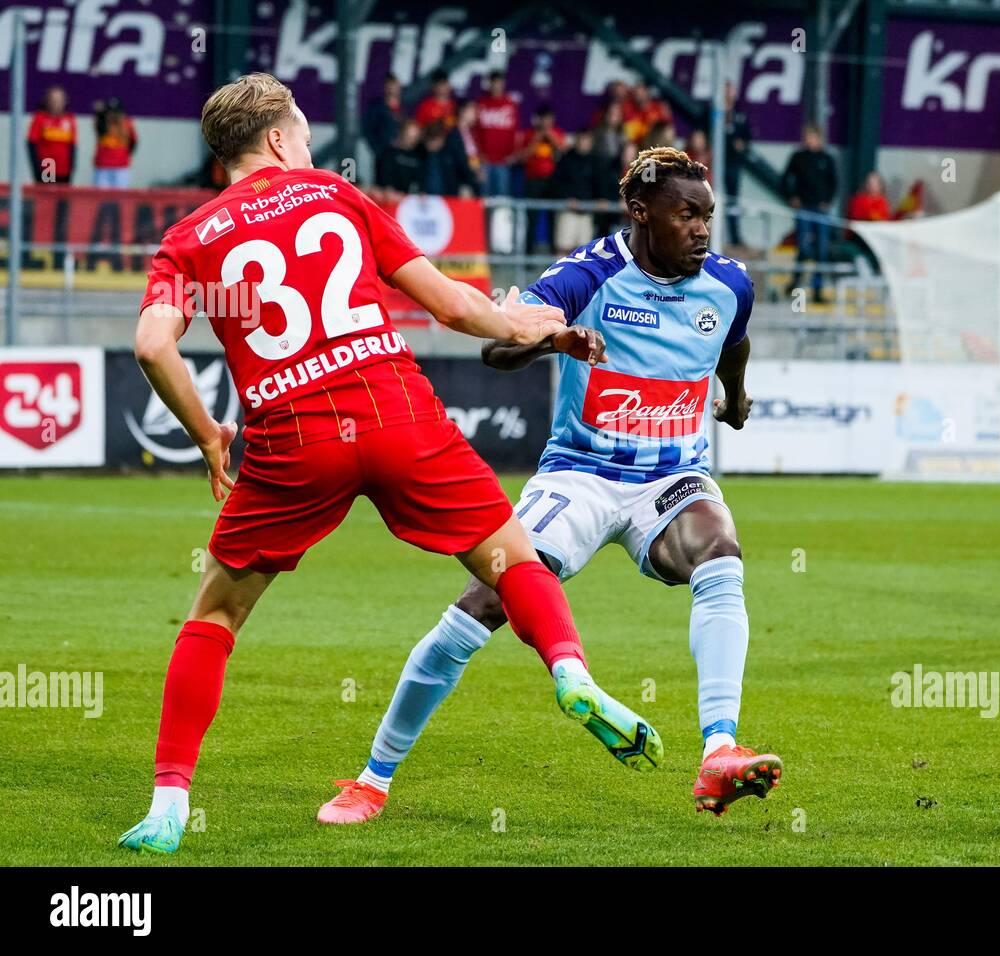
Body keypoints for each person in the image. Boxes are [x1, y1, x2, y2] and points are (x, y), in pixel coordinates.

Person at [117, 72, 659, 854]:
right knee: (512, 560)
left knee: (213, 617)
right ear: (277, 139)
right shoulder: (333, 195)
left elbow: (150, 346)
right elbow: (450, 304)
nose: (307, 143)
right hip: (394, 409)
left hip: (290, 438)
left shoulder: (189, 239)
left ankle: (169, 805)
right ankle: (570, 671)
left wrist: (207, 434)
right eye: (302, 130)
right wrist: (534, 329)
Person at [321, 146, 782, 821]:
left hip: (673, 476)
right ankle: (372, 778)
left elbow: (734, 341)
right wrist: (554, 338)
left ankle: (719, 753)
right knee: (485, 600)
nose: (701, 231)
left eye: (708, 217)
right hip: (583, 474)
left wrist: (735, 399)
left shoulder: (728, 283)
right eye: (686, 215)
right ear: (640, 212)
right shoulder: (587, 274)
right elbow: (498, 347)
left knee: (720, 555)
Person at [782, 123, 838, 303]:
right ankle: (797, 281)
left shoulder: (827, 158)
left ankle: (817, 288)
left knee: (821, 250)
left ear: (819, 138)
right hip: (804, 209)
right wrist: (792, 197)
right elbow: (785, 179)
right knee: (803, 248)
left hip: (820, 211)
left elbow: (834, 183)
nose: (809, 140)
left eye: (812, 137)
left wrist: (827, 201)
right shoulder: (798, 157)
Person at [515, 105, 566, 252]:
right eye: (543, 119)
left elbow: (563, 153)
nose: (545, 122)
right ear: (537, 119)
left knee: (553, 217)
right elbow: (522, 157)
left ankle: (552, 253)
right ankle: (529, 253)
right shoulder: (528, 134)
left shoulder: (556, 133)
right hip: (533, 181)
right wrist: (536, 139)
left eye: (549, 119)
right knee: (531, 218)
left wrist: (550, 137)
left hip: (552, 181)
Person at [550, 129, 602, 251]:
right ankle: (561, 271)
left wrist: (600, 200)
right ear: (576, 141)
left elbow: (599, 184)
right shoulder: (566, 159)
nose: (584, 143)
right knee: (563, 248)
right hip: (568, 210)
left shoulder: (596, 162)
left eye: (587, 140)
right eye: (582, 139)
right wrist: (567, 198)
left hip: (587, 212)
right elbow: (556, 184)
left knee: (584, 253)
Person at [472, 70, 519, 198]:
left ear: (503, 84)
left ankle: (499, 219)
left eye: (499, 82)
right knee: (483, 198)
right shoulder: (481, 103)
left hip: (503, 162)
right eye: (494, 82)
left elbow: (514, 133)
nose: (497, 86)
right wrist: (478, 155)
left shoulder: (510, 105)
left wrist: (512, 154)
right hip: (484, 161)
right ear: (489, 83)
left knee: (501, 200)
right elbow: (474, 132)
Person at [27, 86, 76, 184]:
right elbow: (32, 145)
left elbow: (72, 146)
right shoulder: (40, 118)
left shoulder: (69, 119)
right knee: (46, 197)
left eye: (59, 100)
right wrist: (37, 168)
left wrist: (72, 167)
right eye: (54, 100)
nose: (56, 104)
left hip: (64, 168)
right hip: (47, 166)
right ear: (47, 101)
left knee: (62, 197)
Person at [722, 82, 752, 246]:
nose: (727, 95)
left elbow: (748, 140)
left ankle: (734, 237)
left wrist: (743, 145)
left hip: (732, 163)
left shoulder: (740, 115)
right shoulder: (712, 112)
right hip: (713, 165)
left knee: (732, 201)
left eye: (730, 91)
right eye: (724, 91)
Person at [362, 74, 405, 177]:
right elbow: (368, 129)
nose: (392, 89)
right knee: (383, 184)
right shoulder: (377, 107)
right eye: (389, 86)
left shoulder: (404, 107)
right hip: (384, 153)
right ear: (385, 88)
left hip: (402, 153)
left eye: (395, 86)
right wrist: (377, 149)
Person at [374, 119, 425, 199]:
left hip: (407, 200)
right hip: (389, 199)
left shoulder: (418, 156)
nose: (412, 140)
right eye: (409, 136)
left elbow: (420, 180)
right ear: (402, 133)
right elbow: (384, 179)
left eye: (415, 137)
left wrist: (421, 192)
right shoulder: (388, 154)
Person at [92, 98, 137, 188]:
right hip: (103, 168)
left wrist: (124, 155)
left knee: (121, 198)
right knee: (101, 197)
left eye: (116, 112)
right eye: (111, 112)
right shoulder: (102, 123)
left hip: (121, 168)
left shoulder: (127, 124)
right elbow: (98, 127)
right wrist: (98, 112)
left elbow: (133, 143)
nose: (114, 115)